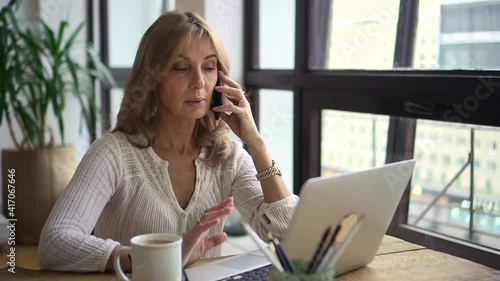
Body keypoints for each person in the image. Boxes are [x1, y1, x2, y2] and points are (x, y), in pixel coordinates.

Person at [38, 10, 299, 273]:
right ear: (152, 78)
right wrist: (154, 259)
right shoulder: (113, 153)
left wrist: (256, 144)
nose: (198, 82)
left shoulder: (226, 157)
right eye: (181, 68)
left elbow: (291, 240)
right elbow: (55, 242)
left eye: (209, 68)